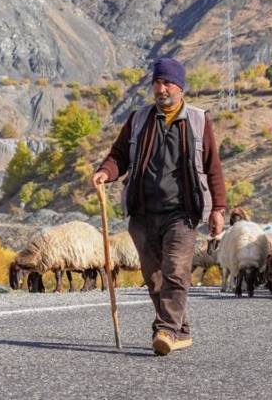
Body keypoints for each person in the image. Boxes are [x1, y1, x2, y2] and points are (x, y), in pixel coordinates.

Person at [91, 57, 226, 355]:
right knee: (153, 277)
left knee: (176, 270)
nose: (161, 88)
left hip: (182, 212)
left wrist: (218, 208)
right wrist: (105, 172)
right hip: (142, 212)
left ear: (180, 87)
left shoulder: (198, 120)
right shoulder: (139, 119)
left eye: (167, 83)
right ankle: (181, 328)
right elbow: (119, 155)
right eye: (157, 82)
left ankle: (165, 329)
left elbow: (212, 166)